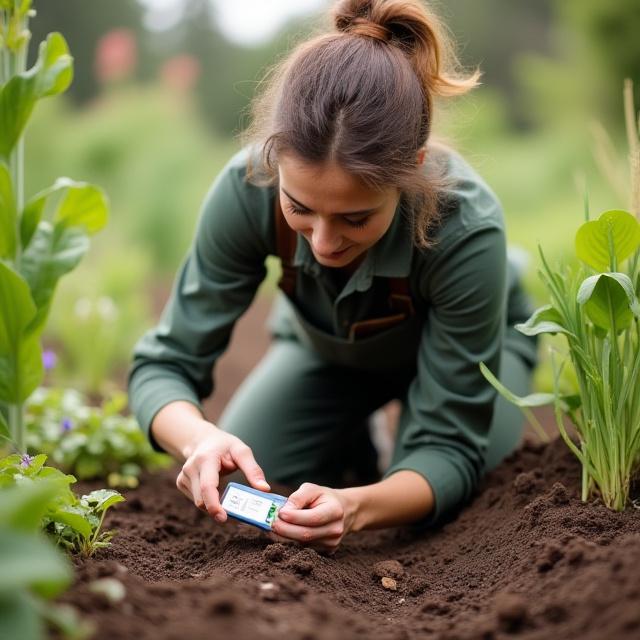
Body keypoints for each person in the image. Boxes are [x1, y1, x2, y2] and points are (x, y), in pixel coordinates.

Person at [128, 0, 537, 550]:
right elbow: (164, 363)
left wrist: (357, 507)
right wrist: (197, 438)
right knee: (250, 478)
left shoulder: (465, 226)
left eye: (355, 218)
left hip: (477, 359)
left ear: (411, 169)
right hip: (329, 349)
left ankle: (376, 452)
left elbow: (450, 449)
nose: (322, 243)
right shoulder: (246, 190)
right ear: (274, 157)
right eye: (301, 209)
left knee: (451, 495)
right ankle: (352, 432)